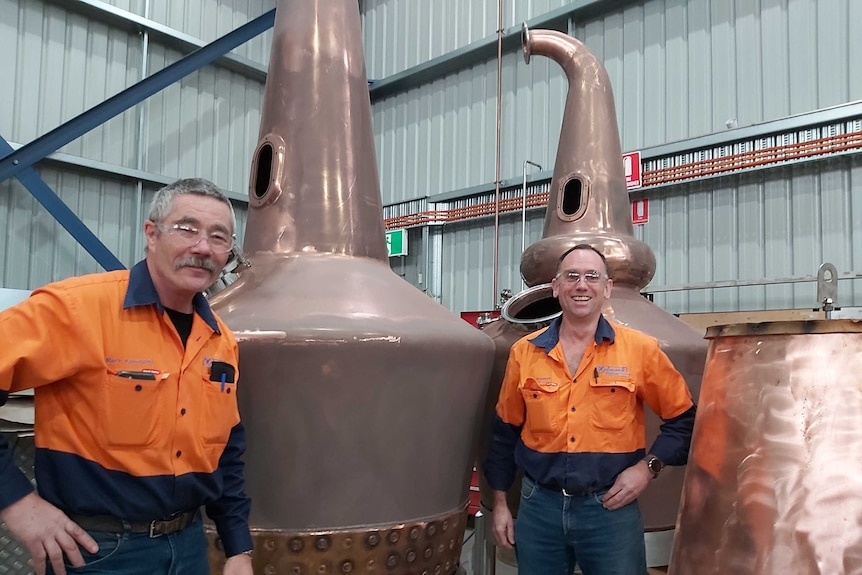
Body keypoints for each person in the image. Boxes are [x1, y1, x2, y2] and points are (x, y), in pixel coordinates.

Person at [0, 178, 253, 575]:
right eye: (187, 229)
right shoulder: (75, 310)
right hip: (96, 552)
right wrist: (17, 503)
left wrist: (238, 548)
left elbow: (227, 451)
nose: (202, 247)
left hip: (189, 549)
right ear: (151, 234)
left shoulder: (221, 341)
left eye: (218, 237)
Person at [483, 244, 696, 575]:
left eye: (592, 276)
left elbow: (683, 420)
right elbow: (504, 433)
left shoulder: (640, 350)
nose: (581, 285)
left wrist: (647, 468)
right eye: (571, 276)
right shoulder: (525, 353)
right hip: (539, 509)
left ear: (606, 288)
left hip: (609, 511)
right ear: (555, 287)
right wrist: (499, 504)